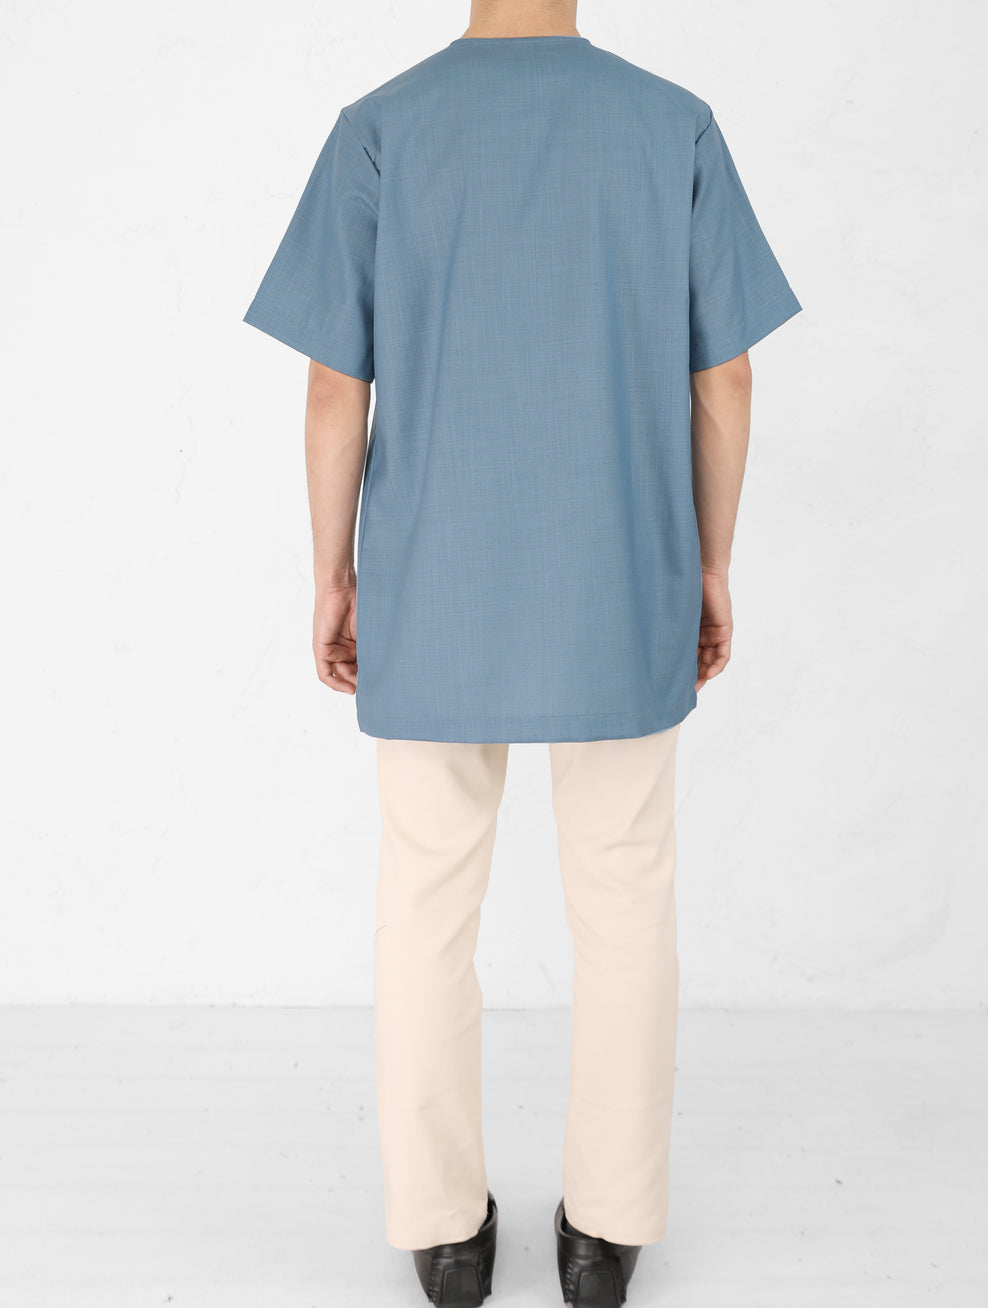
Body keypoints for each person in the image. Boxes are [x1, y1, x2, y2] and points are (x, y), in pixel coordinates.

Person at [242, 1, 802, 1303]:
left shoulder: (382, 130)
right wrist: (712, 562)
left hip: (434, 576)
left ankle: (443, 1236)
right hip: (623, 570)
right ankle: (607, 1235)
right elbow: (725, 379)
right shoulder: (673, 127)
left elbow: (334, 387)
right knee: (627, 892)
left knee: (426, 899)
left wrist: (333, 574)